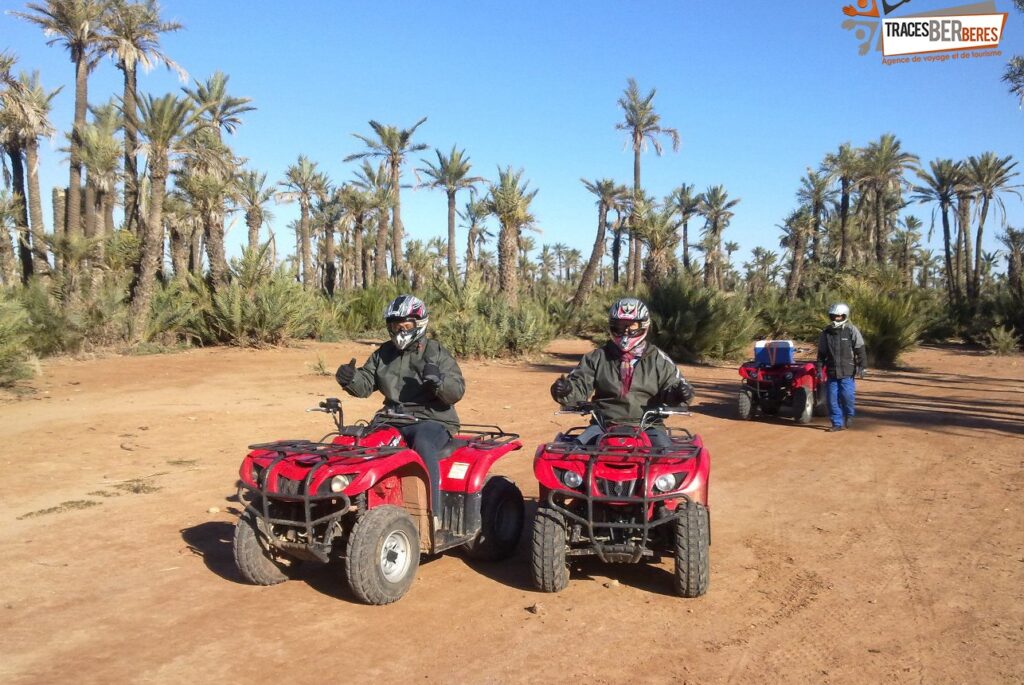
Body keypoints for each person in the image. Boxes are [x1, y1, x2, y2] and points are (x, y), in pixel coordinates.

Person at [335, 294, 465, 511]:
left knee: (422, 444)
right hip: (392, 418)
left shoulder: (436, 352)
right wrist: (350, 379)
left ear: (419, 324)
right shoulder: (384, 353)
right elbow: (366, 383)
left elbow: (457, 391)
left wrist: (439, 382)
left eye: (405, 325)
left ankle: (433, 511)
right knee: (357, 444)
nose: (400, 331)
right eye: (395, 326)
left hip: (431, 419)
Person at [550, 297, 694, 447]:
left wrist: (679, 394)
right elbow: (579, 384)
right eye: (619, 326)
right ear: (612, 326)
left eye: (631, 326)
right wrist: (566, 390)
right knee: (574, 454)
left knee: (667, 459)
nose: (625, 331)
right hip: (603, 425)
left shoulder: (658, 359)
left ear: (643, 325)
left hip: (649, 426)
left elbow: (674, 385)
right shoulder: (597, 357)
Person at [817, 302, 866, 432]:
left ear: (845, 316)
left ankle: (849, 415)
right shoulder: (826, 332)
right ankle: (836, 423)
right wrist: (819, 369)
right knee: (831, 399)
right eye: (834, 316)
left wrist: (862, 366)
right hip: (832, 372)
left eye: (839, 316)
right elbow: (821, 353)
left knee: (847, 396)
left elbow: (860, 348)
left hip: (847, 371)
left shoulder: (851, 330)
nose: (837, 318)